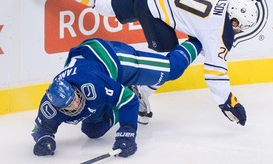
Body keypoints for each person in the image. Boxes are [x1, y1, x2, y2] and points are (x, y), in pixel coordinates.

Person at [24, 0, 269, 126]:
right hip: (154, 11)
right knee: (165, 63)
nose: (236, 31)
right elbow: (216, 75)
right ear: (235, 19)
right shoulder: (218, 34)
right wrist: (228, 103)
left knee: (107, 3)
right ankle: (140, 92)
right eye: (238, 26)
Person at [31, 37, 202, 157]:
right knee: (93, 131)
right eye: (69, 106)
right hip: (99, 75)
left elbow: (128, 101)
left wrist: (126, 133)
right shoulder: (49, 107)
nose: (76, 104)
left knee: (172, 69)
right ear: (58, 107)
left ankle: (199, 39)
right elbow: (40, 129)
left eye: (75, 97)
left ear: (74, 89)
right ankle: (129, 90)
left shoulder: (93, 86)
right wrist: (45, 140)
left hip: (113, 59)